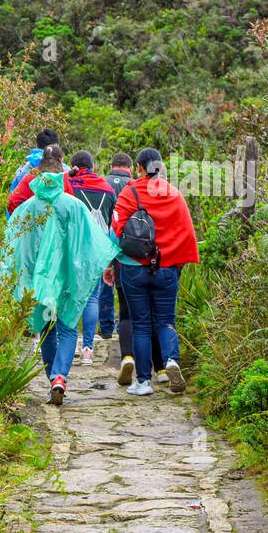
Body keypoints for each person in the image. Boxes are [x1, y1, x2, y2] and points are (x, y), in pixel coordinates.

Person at [0, 145, 119, 406]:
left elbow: (17, 249)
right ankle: (59, 377)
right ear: (61, 171)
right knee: (66, 329)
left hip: (39, 284)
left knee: (45, 332)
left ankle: (51, 376)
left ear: (39, 174)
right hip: (67, 279)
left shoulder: (26, 209)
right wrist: (103, 265)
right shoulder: (73, 206)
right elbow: (91, 242)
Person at [111, 147, 199, 396]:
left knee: (140, 324)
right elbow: (187, 232)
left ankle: (143, 382)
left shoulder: (130, 193)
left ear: (139, 168)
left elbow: (115, 231)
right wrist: (177, 264)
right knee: (166, 321)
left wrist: (114, 260)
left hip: (134, 268)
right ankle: (171, 361)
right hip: (167, 268)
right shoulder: (174, 194)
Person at [68, 150, 117, 366]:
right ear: (93, 167)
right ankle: (88, 349)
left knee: (69, 297)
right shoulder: (107, 189)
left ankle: (67, 346)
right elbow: (112, 222)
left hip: (74, 248)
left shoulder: (70, 187)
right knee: (92, 298)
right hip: (97, 249)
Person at [98, 153, 134, 339]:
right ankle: (125, 325)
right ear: (131, 167)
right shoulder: (135, 186)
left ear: (111, 165)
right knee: (126, 286)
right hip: (130, 243)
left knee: (106, 284)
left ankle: (105, 328)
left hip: (105, 240)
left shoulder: (102, 183)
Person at [6, 134, 74, 215]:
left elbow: (12, 202)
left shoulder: (29, 175)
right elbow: (70, 206)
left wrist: (21, 220)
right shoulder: (66, 178)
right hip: (59, 225)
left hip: (32, 224)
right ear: (61, 160)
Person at [9, 128, 59, 192]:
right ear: (56, 146)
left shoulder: (23, 168)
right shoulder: (64, 169)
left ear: (37, 145)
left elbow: (13, 192)